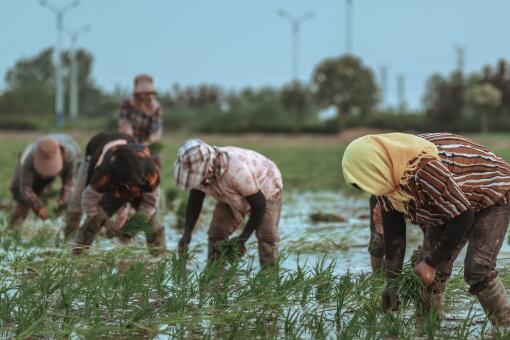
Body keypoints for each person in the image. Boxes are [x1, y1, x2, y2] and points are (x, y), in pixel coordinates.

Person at [342, 132, 510, 325]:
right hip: (452, 204)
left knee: (478, 267)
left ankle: (504, 325)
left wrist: (430, 263)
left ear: (376, 167)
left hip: (492, 193)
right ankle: (428, 327)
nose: (373, 189)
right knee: (427, 272)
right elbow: (394, 234)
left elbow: (464, 217)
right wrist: (392, 282)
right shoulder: (387, 181)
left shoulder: (423, 168)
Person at [173, 139, 283, 267]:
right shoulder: (200, 173)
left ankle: (268, 278)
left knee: (266, 235)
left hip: (265, 189)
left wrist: (242, 238)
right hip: (228, 193)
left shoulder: (237, 171)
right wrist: (187, 233)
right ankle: (215, 276)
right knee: (217, 231)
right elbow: (195, 201)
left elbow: (259, 206)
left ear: (207, 167)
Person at [71, 136, 165, 256]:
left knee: (152, 225)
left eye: (133, 184)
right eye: (128, 184)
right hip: (115, 191)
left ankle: (159, 258)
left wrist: (130, 229)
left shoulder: (149, 168)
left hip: (141, 192)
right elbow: (89, 199)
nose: (130, 189)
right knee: (92, 223)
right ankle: (77, 256)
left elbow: (150, 203)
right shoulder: (105, 172)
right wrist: (106, 222)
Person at [63, 131, 136, 239]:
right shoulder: (100, 166)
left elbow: (132, 190)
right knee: (78, 198)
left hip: (124, 152)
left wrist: (125, 208)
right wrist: (103, 221)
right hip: (93, 154)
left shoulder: (133, 168)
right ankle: (70, 232)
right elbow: (88, 194)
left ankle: (124, 238)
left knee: (127, 207)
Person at [10, 134, 80, 225]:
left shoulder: (70, 156)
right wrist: (37, 207)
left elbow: (69, 181)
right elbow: (25, 187)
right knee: (19, 193)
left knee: (72, 195)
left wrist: (64, 198)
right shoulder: (30, 158)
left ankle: (70, 228)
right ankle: (15, 225)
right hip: (32, 166)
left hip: (68, 154)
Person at [118, 74, 162, 146]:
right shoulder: (127, 104)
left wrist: (148, 142)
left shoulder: (156, 108)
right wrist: (129, 135)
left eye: (146, 93)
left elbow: (155, 129)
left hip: (147, 143)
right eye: (141, 93)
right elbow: (123, 123)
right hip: (128, 141)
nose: (143, 96)